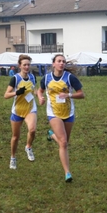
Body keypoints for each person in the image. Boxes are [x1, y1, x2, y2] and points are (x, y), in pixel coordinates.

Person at [37, 54, 85, 183]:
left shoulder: (70, 78)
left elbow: (81, 94)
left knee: (64, 143)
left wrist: (68, 95)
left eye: (63, 61)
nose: (61, 63)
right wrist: (40, 97)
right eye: (59, 61)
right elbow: (40, 90)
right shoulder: (46, 78)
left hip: (68, 113)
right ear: (53, 64)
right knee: (63, 143)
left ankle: (52, 135)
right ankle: (67, 173)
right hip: (53, 113)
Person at [4, 55, 38, 170]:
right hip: (18, 110)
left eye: (28, 64)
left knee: (32, 130)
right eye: (24, 65)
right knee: (15, 137)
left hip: (30, 108)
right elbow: (6, 95)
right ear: (20, 66)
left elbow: (34, 90)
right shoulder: (15, 78)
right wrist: (16, 92)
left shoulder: (33, 77)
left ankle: (28, 147)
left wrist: (39, 94)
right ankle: (13, 158)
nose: (27, 67)